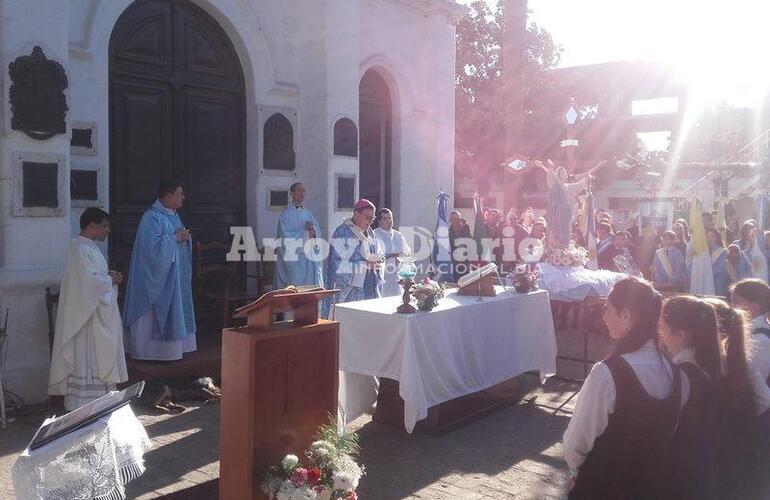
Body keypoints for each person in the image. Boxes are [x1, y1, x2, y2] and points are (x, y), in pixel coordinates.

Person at [563, 277, 685, 499]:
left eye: (608, 309)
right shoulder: (675, 373)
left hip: (605, 486)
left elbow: (577, 441)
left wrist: (576, 473)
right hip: (652, 486)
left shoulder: (607, 374)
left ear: (626, 315)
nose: (604, 317)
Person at [48, 208, 128, 411]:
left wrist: (108, 276)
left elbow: (93, 277)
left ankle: (100, 400)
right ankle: (85, 403)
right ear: (91, 226)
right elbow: (88, 285)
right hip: (86, 319)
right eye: (105, 226)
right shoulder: (79, 249)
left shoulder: (89, 248)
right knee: (89, 358)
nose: (107, 230)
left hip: (93, 314)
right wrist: (111, 279)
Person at [123, 182, 196, 361]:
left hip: (174, 274)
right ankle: (150, 352)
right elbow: (150, 248)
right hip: (156, 278)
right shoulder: (151, 217)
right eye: (180, 194)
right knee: (153, 312)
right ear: (168, 195)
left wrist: (184, 238)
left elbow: (177, 239)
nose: (183, 197)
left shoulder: (174, 215)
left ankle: (175, 350)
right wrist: (175, 238)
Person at [658, 296, 722, 500]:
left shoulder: (683, 374)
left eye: (662, 328)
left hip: (683, 470)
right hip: (701, 465)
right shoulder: (708, 362)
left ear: (680, 334)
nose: (660, 334)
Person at [324, 199, 383, 316]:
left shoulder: (370, 232)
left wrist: (378, 259)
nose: (371, 222)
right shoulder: (342, 233)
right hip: (351, 291)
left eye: (373, 218)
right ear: (356, 213)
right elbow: (336, 266)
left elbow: (377, 253)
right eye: (368, 217)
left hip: (369, 285)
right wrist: (364, 266)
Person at [534, 159, 606, 249]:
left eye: (565, 171)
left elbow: (583, 180)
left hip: (567, 216)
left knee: (565, 234)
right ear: (558, 174)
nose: (565, 173)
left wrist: (594, 172)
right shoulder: (554, 185)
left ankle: (564, 250)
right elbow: (550, 176)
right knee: (554, 235)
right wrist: (550, 167)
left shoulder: (570, 187)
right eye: (562, 171)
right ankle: (554, 250)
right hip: (555, 216)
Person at [274, 182, 323, 289]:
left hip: (310, 260)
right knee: (297, 292)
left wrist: (312, 231)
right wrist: (305, 233)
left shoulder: (308, 214)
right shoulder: (285, 215)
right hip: (296, 262)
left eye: (303, 190)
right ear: (291, 193)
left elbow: (317, 232)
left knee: (311, 292)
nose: (302, 193)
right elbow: (284, 239)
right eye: (299, 190)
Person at [730, 279, 770, 383]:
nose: (731, 308)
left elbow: (753, 382)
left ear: (754, 308)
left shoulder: (761, 340)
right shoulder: (749, 333)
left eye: (735, 303)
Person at [373, 208, 411, 297]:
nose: (389, 221)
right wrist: (392, 255)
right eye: (385, 218)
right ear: (379, 221)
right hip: (382, 277)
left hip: (397, 277)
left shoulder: (398, 235)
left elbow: (407, 253)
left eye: (390, 218)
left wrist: (402, 256)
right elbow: (374, 256)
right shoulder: (374, 235)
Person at [448, 210, 472, 282]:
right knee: (455, 282)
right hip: (453, 262)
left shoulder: (465, 230)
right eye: (454, 218)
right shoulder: (448, 232)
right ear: (451, 220)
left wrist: (464, 228)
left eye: (458, 218)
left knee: (465, 282)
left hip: (465, 261)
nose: (456, 220)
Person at [707, 228, 730, 297]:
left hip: (718, 282)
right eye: (708, 236)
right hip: (707, 281)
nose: (710, 238)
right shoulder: (705, 251)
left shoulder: (722, 251)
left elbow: (721, 269)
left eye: (712, 236)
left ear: (717, 237)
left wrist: (707, 272)